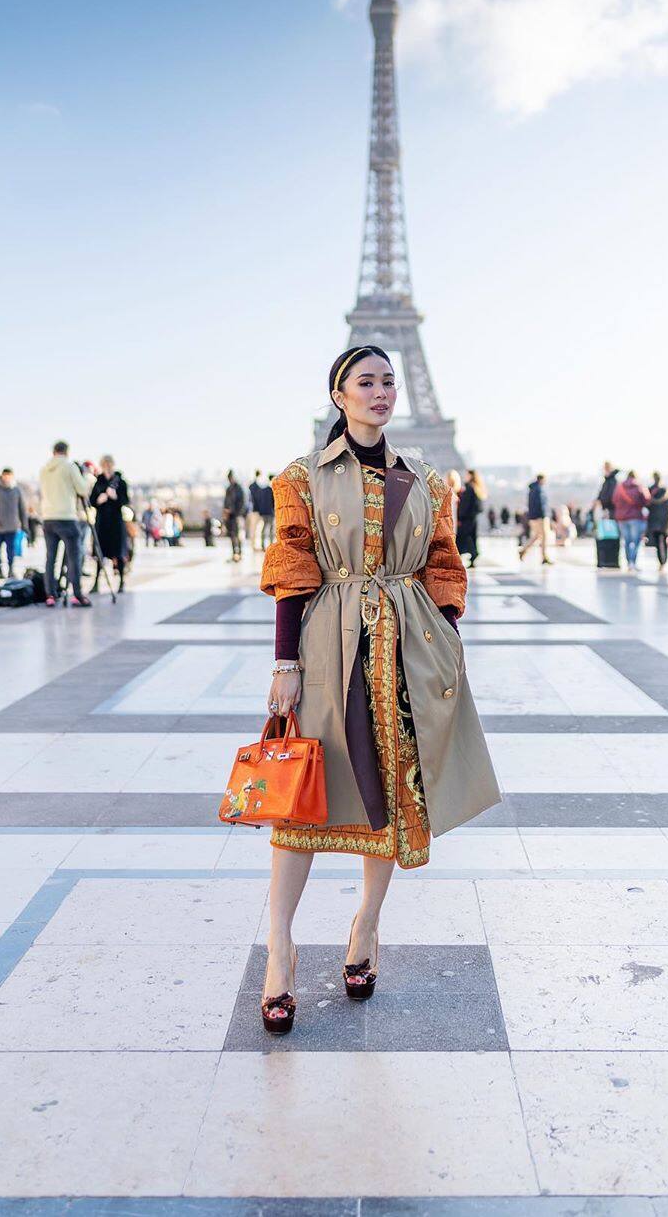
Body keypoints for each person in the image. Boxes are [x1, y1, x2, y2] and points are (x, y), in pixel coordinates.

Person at [257, 344, 499, 1034]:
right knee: (302, 801)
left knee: (392, 793)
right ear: (339, 395)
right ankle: (281, 948)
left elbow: (443, 564)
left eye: (389, 380)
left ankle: (366, 925)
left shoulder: (425, 478)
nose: (381, 391)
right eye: (366, 381)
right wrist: (284, 664)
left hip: (406, 651)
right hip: (329, 649)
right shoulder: (300, 477)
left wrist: (444, 638)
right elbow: (292, 569)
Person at [38, 440, 94, 608]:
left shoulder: (44, 469)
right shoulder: (69, 466)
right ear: (67, 452)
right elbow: (82, 489)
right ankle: (77, 594)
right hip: (67, 517)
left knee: (51, 558)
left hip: (48, 517)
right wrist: (89, 479)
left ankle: (50, 594)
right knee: (74, 557)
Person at [89, 455, 131, 593]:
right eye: (104, 465)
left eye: (109, 465)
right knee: (100, 553)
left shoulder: (120, 482)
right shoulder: (98, 482)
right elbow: (92, 500)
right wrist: (99, 500)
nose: (107, 468)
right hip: (102, 522)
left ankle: (121, 582)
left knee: (118, 553)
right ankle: (96, 582)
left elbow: (125, 500)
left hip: (116, 522)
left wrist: (115, 497)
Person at [0, 468, 29, 579]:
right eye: (5, 475)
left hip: (12, 526)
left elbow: (22, 509)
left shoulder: (17, 490)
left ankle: (11, 570)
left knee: (11, 551)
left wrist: (24, 525)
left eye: (9, 476)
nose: (7, 478)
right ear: (2, 476)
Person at [612, 470, 650, 568]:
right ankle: (633, 561)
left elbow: (614, 500)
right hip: (635, 517)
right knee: (636, 540)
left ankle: (629, 561)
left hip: (621, 517)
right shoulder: (639, 486)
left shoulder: (619, 487)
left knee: (627, 540)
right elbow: (647, 499)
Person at [518, 473, 552, 564]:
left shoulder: (532, 489)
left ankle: (524, 550)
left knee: (537, 536)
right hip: (540, 517)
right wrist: (544, 516)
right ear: (542, 479)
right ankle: (544, 556)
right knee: (544, 536)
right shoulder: (539, 489)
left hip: (533, 517)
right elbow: (541, 505)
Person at [456, 469, 485, 568]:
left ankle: (471, 554)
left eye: (467, 475)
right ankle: (473, 555)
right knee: (471, 538)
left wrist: (459, 516)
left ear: (471, 476)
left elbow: (465, 505)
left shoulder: (469, 488)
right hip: (473, 518)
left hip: (466, 519)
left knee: (464, 538)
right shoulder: (477, 488)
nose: (465, 476)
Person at [646, 473, 668, 569]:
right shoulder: (667, 490)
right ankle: (665, 559)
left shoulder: (650, 490)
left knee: (658, 542)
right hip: (665, 518)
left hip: (654, 518)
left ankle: (661, 561)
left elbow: (647, 504)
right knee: (665, 539)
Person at [223, 471, 246, 562]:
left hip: (237, 515)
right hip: (230, 516)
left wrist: (238, 513)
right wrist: (225, 512)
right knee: (232, 535)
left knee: (238, 535)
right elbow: (226, 502)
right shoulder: (228, 489)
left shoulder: (239, 488)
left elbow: (242, 502)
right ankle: (234, 553)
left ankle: (239, 553)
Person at [247, 471, 264, 552]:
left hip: (254, 510)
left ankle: (254, 545)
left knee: (255, 529)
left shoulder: (253, 486)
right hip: (255, 511)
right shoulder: (256, 486)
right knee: (255, 529)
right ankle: (254, 546)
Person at [260, 473, 276, 550]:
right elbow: (274, 502)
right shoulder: (272, 490)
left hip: (264, 512)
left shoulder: (263, 490)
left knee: (264, 527)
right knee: (271, 528)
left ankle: (263, 544)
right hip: (270, 512)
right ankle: (271, 545)